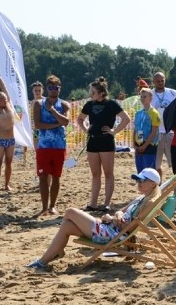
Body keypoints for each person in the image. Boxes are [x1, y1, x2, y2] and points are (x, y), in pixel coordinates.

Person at [26, 168, 162, 271]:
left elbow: (130, 227)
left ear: (153, 184)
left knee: (70, 211)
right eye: (137, 180)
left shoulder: (149, 203)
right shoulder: (141, 198)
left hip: (112, 234)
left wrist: (112, 219)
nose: (138, 183)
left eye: (142, 180)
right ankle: (47, 259)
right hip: (110, 228)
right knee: (67, 225)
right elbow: (121, 211)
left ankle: (50, 256)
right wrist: (117, 215)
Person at [78, 77, 130, 212]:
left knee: (108, 173)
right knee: (95, 174)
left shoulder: (111, 104)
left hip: (106, 141)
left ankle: (107, 203)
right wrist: (85, 130)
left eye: (93, 92)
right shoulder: (89, 104)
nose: (91, 94)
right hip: (93, 141)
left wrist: (114, 131)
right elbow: (80, 119)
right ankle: (93, 203)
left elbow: (126, 118)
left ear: (101, 92)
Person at [33, 75, 70, 215]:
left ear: (59, 88)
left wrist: (53, 111)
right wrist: (56, 124)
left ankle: (52, 206)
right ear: (46, 89)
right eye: (50, 88)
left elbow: (66, 122)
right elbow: (37, 124)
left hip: (59, 146)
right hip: (43, 145)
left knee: (56, 176)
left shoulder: (64, 104)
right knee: (43, 177)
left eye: (56, 88)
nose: (53, 90)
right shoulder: (38, 104)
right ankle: (44, 207)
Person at [150, 72, 176, 175]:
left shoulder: (173, 93)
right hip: (156, 133)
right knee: (156, 164)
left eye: (162, 80)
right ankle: (159, 184)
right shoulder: (150, 94)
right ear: (153, 82)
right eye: (158, 81)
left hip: (171, 132)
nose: (160, 83)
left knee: (174, 162)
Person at [133, 87, 161, 172]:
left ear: (151, 98)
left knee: (148, 171)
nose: (142, 98)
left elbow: (154, 132)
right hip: (139, 144)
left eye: (145, 96)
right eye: (141, 96)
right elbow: (135, 129)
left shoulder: (154, 113)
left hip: (149, 145)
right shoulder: (138, 113)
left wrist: (145, 146)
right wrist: (134, 144)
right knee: (140, 171)